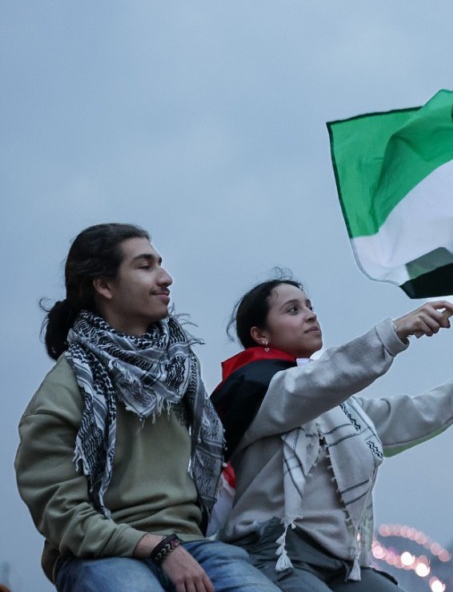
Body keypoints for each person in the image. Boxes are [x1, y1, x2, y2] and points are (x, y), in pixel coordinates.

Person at [211, 278, 453, 591]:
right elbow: (330, 375)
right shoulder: (259, 391)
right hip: (277, 553)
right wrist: (396, 331)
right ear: (260, 334)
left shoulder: (341, 408)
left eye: (309, 306)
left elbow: (408, 416)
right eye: (293, 310)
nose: (310, 315)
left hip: (344, 564)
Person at [15, 223, 279, 592]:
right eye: (145, 266)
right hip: (100, 553)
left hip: (191, 545)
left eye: (160, 264)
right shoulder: (66, 388)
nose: (165, 277)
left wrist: (173, 546)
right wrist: (156, 546)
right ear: (104, 286)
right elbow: (61, 516)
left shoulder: (179, 371)